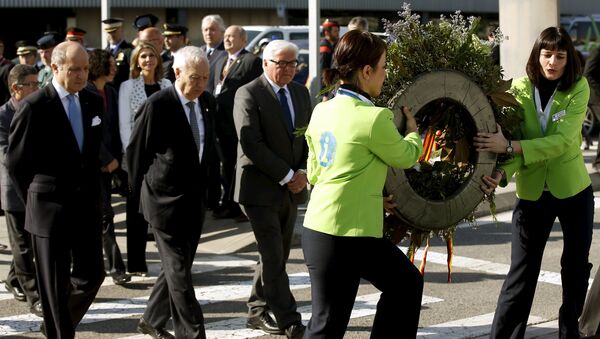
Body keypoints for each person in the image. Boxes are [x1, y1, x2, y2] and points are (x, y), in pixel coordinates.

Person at [302, 30, 424, 338]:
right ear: (366, 71)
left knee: (326, 322)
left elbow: (317, 172)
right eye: (383, 67)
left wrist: (368, 195)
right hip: (349, 235)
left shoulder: (322, 109)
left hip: (319, 228)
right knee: (403, 285)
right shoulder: (373, 118)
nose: (386, 74)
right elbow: (407, 156)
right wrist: (412, 130)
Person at [474, 26, 593, 339]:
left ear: (569, 60)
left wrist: (510, 148)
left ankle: (570, 328)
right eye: (547, 54)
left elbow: (563, 141)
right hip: (531, 192)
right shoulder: (521, 88)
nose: (552, 61)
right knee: (521, 273)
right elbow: (517, 140)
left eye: (560, 56)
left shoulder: (578, 88)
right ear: (537, 55)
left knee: (576, 267)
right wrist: (501, 172)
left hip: (573, 190)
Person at [7, 41, 105, 338]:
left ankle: (56, 325)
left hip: (84, 206)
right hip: (48, 208)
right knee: (54, 284)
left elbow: (92, 155)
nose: (82, 75)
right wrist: (34, 202)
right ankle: (60, 332)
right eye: (75, 69)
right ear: (55, 68)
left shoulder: (92, 101)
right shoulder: (35, 106)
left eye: (86, 69)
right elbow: (16, 163)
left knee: (92, 275)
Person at [127, 46, 216, 339]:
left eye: (205, 77)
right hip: (162, 202)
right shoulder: (158, 105)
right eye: (195, 78)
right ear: (177, 73)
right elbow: (136, 154)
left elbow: (209, 152)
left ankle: (152, 320)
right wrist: (137, 201)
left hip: (194, 202)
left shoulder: (206, 103)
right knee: (179, 273)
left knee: (175, 269)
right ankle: (192, 333)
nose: (201, 84)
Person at [233, 40, 311, 339]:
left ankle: (256, 309)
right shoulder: (249, 93)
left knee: (272, 255)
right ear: (265, 63)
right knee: (274, 256)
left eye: (293, 63)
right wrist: (287, 174)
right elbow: (251, 143)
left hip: (292, 188)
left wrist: (303, 172)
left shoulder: (301, 93)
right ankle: (290, 320)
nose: (288, 68)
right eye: (281, 63)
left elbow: (308, 138)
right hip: (259, 190)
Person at [118, 42, 171, 276]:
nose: (148, 60)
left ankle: (167, 261)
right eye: (143, 56)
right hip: (136, 158)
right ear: (137, 61)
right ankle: (137, 263)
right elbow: (124, 124)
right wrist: (133, 156)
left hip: (161, 158)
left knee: (162, 212)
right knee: (135, 211)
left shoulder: (167, 85)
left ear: (158, 60)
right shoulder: (128, 87)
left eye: (152, 55)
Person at [0, 64, 43, 317]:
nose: (37, 89)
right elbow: (7, 156)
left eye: (38, 84)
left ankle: (12, 278)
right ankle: (34, 295)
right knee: (23, 246)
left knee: (27, 243)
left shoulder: (38, 109)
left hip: (37, 187)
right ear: (16, 89)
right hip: (14, 189)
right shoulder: (3, 116)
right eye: (33, 85)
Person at [87, 49, 130, 286]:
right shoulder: (86, 91)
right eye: (111, 65)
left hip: (111, 163)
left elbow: (114, 128)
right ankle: (114, 267)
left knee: (104, 216)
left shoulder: (111, 92)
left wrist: (116, 159)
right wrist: (105, 158)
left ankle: (111, 265)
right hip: (93, 165)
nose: (115, 69)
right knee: (104, 216)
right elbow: (90, 132)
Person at [211, 25, 262, 220]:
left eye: (232, 36)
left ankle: (238, 206)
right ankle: (228, 203)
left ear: (243, 40)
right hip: (220, 123)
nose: (227, 40)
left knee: (237, 165)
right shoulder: (220, 60)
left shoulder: (251, 61)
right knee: (226, 165)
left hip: (238, 123)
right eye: (225, 36)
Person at [103, 17, 134, 90]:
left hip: (123, 90)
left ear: (121, 31)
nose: (111, 35)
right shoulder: (104, 52)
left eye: (114, 31)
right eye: (109, 32)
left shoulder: (129, 50)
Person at [200, 14, 227, 94]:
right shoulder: (199, 51)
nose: (208, 33)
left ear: (222, 32)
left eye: (212, 29)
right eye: (206, 30)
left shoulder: (227, 53)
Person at [319, 19, 340, 100]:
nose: (337, 33)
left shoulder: (334, 44)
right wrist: (325, 93)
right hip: (326, 90)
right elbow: (323, 70)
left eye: (338, 31)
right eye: (335, 31)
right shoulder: (324, 47)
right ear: (327, 33)